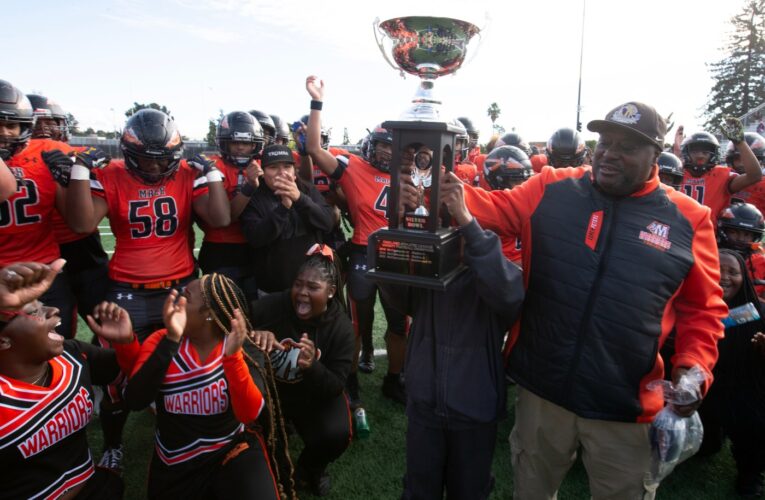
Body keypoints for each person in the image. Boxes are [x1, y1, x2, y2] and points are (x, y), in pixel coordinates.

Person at [440, 101, 727, 498]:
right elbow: (491, 207)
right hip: (542, 390)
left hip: (626, 405)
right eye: (605, 142)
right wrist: (431, 180)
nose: (609, 153)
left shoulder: (689, 218)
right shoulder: (552, 186)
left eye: (626, 146)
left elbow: (704, 309)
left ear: (655, 154)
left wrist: (695, 368)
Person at [66, 107, 231, 470]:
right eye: (146, 159)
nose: (156, 168)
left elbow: (219, 219)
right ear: (128, 153)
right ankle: (113, 443)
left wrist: (214, 173)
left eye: (163, 160)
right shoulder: (110, 174)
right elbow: (80, 223)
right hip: (127, 290)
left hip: (179, 288)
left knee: (183, 365)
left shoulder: (188, 173)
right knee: (118, 378)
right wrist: (80, 170)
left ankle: (176, 430)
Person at [390, 171, 524, 499]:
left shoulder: (504, 273)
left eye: (462, 227)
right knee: (420, 489)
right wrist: (403, 224)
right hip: (425, 404)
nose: (455, 233)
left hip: (474, 410)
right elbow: (397, 295)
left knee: (469, 490)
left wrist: (469, 222)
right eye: (450, 224)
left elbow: (508, 296)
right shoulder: (433, 270)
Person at [124, 274, 294, 499]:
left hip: (229, 452)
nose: (176, 301)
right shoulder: (161, 340)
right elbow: (135, 400)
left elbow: (249, 413)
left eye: (186, 297)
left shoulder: (244, 347)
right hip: (176, 459)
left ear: (208, 315)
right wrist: (171, 341)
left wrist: (233, 359)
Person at [304, 75, 409, 407]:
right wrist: (316, 102)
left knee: (398, 323)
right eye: (383, 145)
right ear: (372, 146)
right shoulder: (353, 168)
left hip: (399, 253)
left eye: (394, 146)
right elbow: (312, 149)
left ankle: (394, 379)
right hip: (364, 251)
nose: (388, 152)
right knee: (355, 324)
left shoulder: (411, 173)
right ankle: (349, 382)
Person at [0, 258, 140, 499]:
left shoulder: (73, 355)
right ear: (4, 340)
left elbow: (134, 378)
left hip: (90, 485)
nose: (54, 310)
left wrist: (125, 342)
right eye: (34, 312)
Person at [250, 245, 354, 497]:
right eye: (299, 284)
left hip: (312, 397)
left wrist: (313, 367)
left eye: (313, 288)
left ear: (331, 292)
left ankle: (311, 468)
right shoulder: (276, 304)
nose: (302, 293)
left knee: (336, 433)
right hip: (272, 394)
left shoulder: (341, 327)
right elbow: (233, 318)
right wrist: (252, 333)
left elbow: (335, 386)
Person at [28, 93, 110, 337]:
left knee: (100, 316)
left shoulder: (74, 153)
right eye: (37, 123)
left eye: (50, 123)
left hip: (76, 247)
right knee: (55, 325)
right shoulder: (70, 152)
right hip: (43, 248)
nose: (44, 130)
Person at [0, 80, 78, 338]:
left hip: (43, 271)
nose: (4, 133)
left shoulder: (47, 152)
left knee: (59, 346)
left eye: (10, 125)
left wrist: (68, 181)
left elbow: (76, 221)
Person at [696, 249, 765, 497]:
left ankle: (750, 475)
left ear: (743, 276)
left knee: (755, 426)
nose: (724, 277)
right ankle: (710, 438)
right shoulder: (695, 308)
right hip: (705, 387)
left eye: (732, 272)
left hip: (745, 391)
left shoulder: (759, 313)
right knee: (705, 447)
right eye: (717, 270)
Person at [239, 144, 335, 294]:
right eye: (273, 167)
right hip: (272, 289)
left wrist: (300, 199)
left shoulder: (307, 190)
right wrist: (283, 208)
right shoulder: (255, 197)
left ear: (294, 171)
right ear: (263, 172)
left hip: (311, 286)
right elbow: (256, 237)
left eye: (287, 166)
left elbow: (327, 223)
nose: (281, 173)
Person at [197, 111, 265, 301]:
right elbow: (225, 219)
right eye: (236, 142)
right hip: (222, 249)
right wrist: (249, 187)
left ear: (255, 144)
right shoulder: (213, 167)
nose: (241, 148)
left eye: (246, 143)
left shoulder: (263, 164)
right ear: (224, 142)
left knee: (254, 307)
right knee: (224, 307)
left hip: (255, 246)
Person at [678, 121, 762, 226]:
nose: (700, 156)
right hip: (675, 233)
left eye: (705, 152)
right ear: (686, 153)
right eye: (695, 151)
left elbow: (755, 175)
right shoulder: (676, 172)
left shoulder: (722, 176)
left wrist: (740, 143)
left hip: (707, 236)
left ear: (714, 154)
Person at [717, 202, 765, 299]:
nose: (741, 239)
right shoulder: (708, 256)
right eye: (734, 232)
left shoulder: (761, 263)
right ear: (723, 231)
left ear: (755, 236)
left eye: (747, 234)